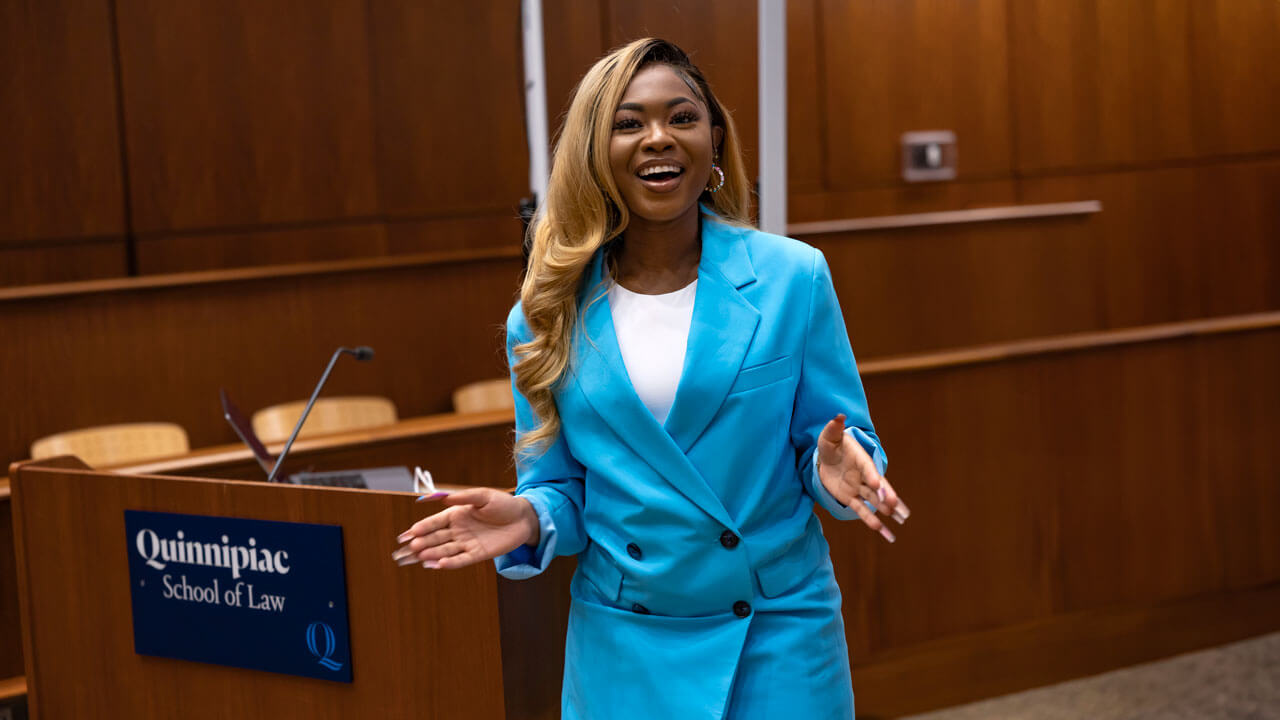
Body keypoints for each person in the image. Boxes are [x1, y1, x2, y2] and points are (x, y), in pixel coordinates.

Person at [393, 38, 910, 719]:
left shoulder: (794, 278)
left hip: (775, 631)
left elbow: (840, 446)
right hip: (624, 644)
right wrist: (527, 517)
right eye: (628, 123)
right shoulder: (544, 314)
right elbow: (559, 491)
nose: (658, 138)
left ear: (714, 141)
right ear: (593, 152)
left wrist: (834, 465)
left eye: (682, 117)